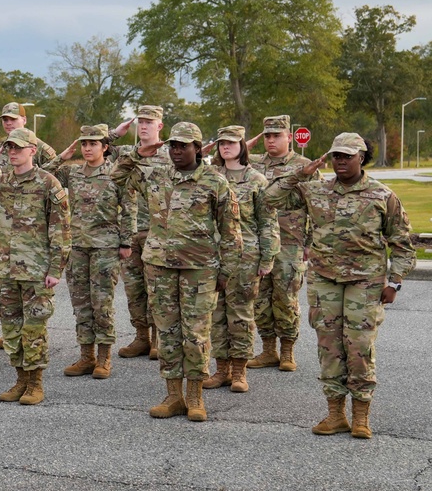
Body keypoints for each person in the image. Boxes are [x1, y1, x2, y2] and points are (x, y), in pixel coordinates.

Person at [263, 133, 415, 439]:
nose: (341, 161)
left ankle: (361, 416)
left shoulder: (382, 195)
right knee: (329, 347)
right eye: (336, 156)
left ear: (362, 157)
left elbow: (402, 244)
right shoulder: (315, 190)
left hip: (366, 282)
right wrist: (299, 173)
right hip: (325, 281)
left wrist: (395, 283)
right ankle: (335, 414)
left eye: (347, 155)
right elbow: (269, 199)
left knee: (358, 348)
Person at [111, 122, 242, 422]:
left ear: (198, 148)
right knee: (168, 334)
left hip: (200, 270)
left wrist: (227, 271)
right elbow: (115, 178)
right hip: (159, 268)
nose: (177, 150)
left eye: (183, 145)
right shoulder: (155, 176)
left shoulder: (215, 181)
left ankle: (195, 396)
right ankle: (173, 396)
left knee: (195, 334)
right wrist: (138, 152)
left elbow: (231, 231)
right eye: (173, 145)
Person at [0, 127, 71, 405]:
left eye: (18, 148)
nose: (12, 153)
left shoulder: (48, 183)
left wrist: (56, 269)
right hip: (7, 269)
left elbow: (61, 230)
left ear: (32, 151)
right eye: (9, 148)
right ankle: (20, 380)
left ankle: (35, 384)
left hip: (36, 270)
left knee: (33, 328)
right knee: (11, 327)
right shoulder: (1, 183)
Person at [44, 124, 133, 379]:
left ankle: (104, 357)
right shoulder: (73, 173)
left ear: (105, 147)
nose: (87, 148)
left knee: (101, 302)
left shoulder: (117, 174)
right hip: (78, 246)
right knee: (81, 302)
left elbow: (129, 209)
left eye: (93, 143)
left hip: (105, 246)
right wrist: (63, 154)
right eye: (83, 143)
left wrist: (126, 242)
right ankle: (86, 356)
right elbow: (43, 173)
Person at [205, 125, 279, 393]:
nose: (226, 147)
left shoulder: (257, 179)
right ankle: (221, 369)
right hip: (215, 255)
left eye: (232, 143)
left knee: (241, 314)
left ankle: (239, 372)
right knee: (216, 314)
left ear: (242, 146)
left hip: (246, 255)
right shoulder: (211, 176)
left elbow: (268, 222)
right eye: (222, 143)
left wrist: (267, 257)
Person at [0, 101, 59, 350]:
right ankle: (14, 338)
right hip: (5, 244)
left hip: (33, 247)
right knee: (6, 306)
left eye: (13, 118)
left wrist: (55, 266)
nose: (8, 123)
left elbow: (58, 224)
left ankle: (31, 367)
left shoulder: (44, 160)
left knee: (34, 315)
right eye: (5, 119)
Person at [247, 115, 317, 371]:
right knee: (260, 299)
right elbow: (227, 159)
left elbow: (316, 207)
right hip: (258, 244)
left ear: (289, 136)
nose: (271, 140)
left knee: (285, 298)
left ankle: (287, 351)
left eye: (277, 135)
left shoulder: (304, 166)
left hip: (290, 243)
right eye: (267, 135)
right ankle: (267, 350)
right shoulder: (253, 165)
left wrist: (310, 242)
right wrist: (247, 145)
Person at [109, 106, 172, 360]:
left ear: (160, 126)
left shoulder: (171, 155)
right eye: (140, 122)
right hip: (130, 232)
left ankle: (158, 337)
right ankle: (141, 337)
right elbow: (98, 148)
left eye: (150, 122)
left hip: (158, 232)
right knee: (134, 288)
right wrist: (116, 133)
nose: (144, 126)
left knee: (157, 287)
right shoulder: (127, 153)